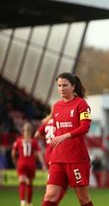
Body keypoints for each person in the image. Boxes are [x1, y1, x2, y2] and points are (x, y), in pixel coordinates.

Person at [41, 72, 94, 206]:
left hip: (76, 158)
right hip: (57, 158)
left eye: (65, 85)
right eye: (59, 85)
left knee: (83, 199)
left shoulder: (82, 104)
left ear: (73, 86)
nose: (61, 88)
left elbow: (85, 127)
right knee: (50, 195)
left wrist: (65, 136)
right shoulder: (57, 106)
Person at [35, 113, 67, 205]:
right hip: (57, 154)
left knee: (54, 185)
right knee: (61, 183)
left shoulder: (47, 122)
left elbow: (36, 135)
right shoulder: (60, 121)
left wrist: (47, 138)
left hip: (48, 153)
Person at [12, 122, 46, 206]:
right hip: (31, 164)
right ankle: (29, 203)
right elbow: (39, 153)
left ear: (23, 130)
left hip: (21, 163)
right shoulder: (34, 142)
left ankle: (23, 202)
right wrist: (43, 165)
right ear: (31, 131)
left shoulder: (18, 141)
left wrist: (15, 162)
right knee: (30, 184)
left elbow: (13, 154)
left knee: (22, 182)